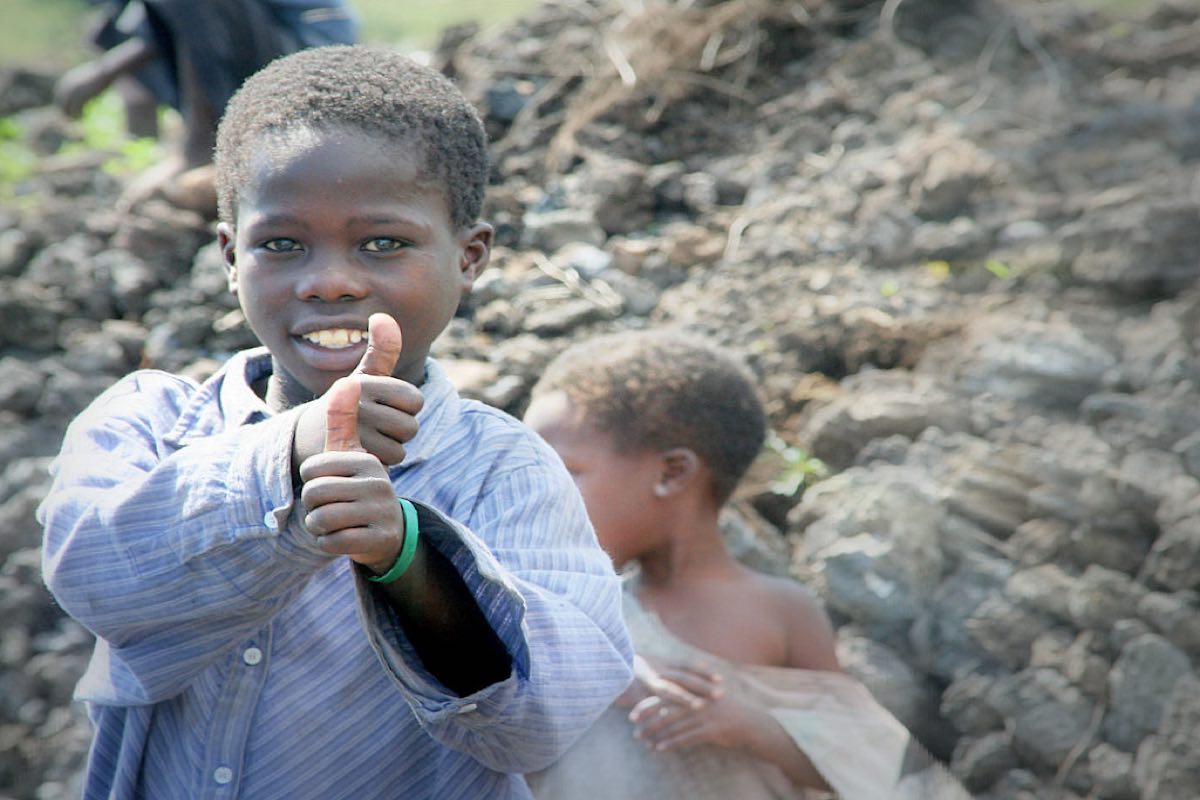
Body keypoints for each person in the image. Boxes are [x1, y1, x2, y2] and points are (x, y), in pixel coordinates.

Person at [38, 45, 633, 800]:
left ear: (470, 256)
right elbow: (95, 579)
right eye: (281, 244)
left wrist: (407, 559)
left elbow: (542, 720)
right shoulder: (147, 422)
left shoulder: (504, 469)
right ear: (230, 255)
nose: (329, 282)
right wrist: (291, 454)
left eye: (383, 243)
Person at [522, 330, 972, 799]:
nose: (533, 496)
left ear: (672, 473)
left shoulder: (779, 611)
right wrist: (609, 672)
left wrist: (750, 727)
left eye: (563, 471)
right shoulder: (557, 609)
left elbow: (861, 760)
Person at [54, 0, 359, 212]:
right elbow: (154, 30)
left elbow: (191, 18)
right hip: (255, 51)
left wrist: (104, 71)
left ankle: (200, 152)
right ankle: (144, 141)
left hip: (305, 62)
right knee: (115, 22)